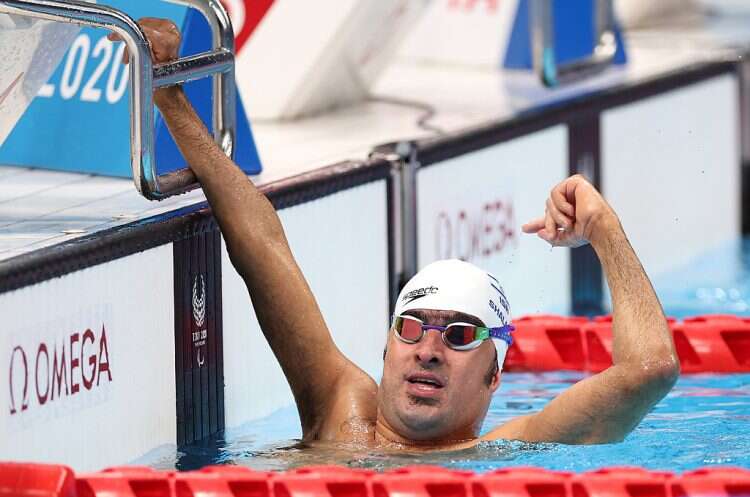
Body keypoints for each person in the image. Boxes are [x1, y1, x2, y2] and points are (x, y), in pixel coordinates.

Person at [110, 19, 680, 450]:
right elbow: (262, 247)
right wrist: (170, 95)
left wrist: (605, 230)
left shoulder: (508, 456)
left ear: (494, 372)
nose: (428, 351)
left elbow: (647, 372)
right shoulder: (340, 411)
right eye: (411, 329)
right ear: (386, 347)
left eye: (459, 336)